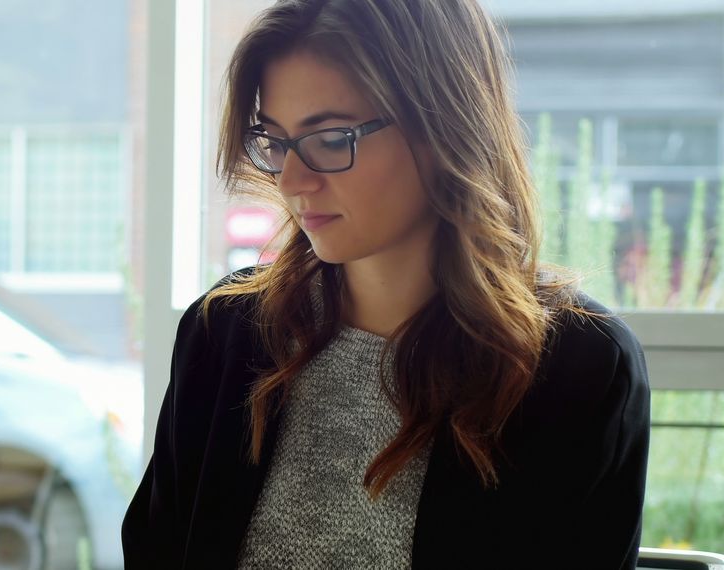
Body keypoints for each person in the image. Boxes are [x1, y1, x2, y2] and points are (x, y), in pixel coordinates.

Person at [122, 0, 650, 568]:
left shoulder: (578, 369)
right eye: (275, 142)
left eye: (329, 138)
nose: (293, 180)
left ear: (443, 126)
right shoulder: (223, 334)